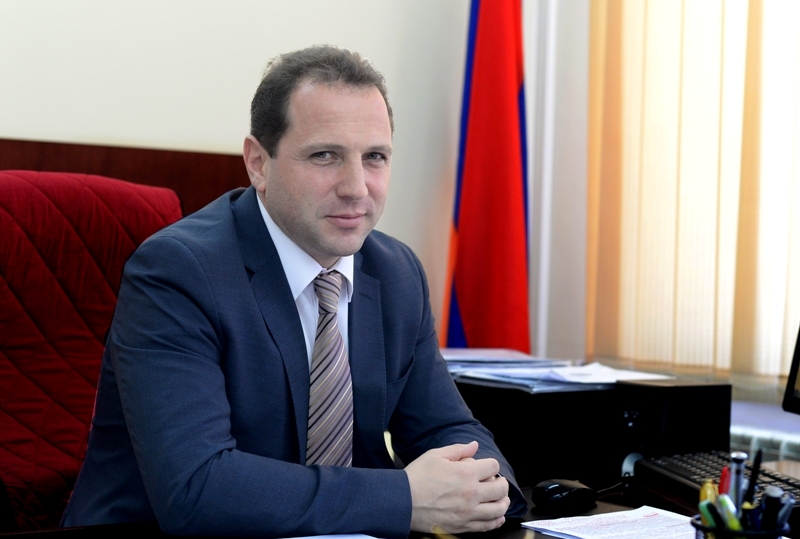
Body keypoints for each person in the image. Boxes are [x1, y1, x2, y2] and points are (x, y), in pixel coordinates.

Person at [61, 45, 526, 537]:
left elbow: (446, 429)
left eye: (375, 157)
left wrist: (487, 488)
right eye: (325, 156)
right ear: (258, 163)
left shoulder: (396, 272)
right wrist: (405, 498)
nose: (356, 187)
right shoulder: (178, 272)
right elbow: (196, 487)